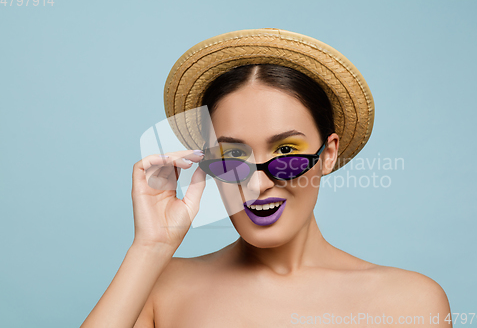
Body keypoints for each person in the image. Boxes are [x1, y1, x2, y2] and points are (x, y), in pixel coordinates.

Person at [81, 29, 451, 328]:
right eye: (233, 157)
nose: (257, 185)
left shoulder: (410, 303)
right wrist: (151, 248)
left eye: (286, 152)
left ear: (329, 152)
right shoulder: (160, 287)